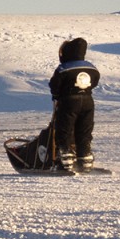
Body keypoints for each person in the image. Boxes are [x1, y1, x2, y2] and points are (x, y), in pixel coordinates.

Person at [48, 37, 99, 172]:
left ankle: (66, 158)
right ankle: (85, 157)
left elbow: (54, 85)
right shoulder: (91, 67)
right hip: (88, 101)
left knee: (65, 128)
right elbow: (95, 81)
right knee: (84, 129)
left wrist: (57, 95)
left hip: (69, 101)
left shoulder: (64, 68)